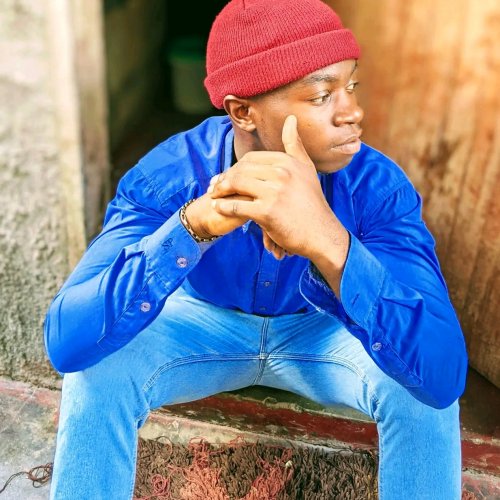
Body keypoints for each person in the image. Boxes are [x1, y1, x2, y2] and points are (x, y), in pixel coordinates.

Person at [44, 0, 469, 498]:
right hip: (200, 326)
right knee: (95, 371)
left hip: (323, 333)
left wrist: (330, 242)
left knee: (418, 386)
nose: (353, 112)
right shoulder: (168, 176)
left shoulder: (377, 188)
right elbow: (66, 342)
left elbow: (444, 376)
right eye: (322, 96)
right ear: (243, 112)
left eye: (351, 86)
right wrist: (193, 226)